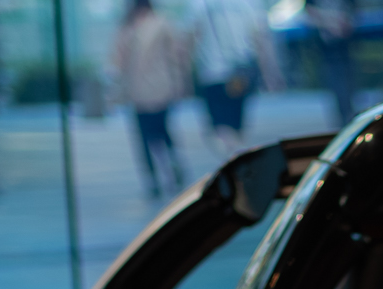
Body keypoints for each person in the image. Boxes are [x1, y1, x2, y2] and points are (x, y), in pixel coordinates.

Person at [186, 0, 283, 154]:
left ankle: (228, 155)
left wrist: (188, 69)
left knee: (219, 125)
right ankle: (234, 154)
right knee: (236, 122)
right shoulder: (248, 3)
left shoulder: (199, 4)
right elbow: (259, 37)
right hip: (239, 71)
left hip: (211, 73)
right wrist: (270, 72)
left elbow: (193, 36)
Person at [111, 0, 187, 196]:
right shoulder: (156, 24)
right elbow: (176, 57)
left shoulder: (134, 26)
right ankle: (164, 171)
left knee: (150, 134)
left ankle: (156, 176)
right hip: (152, 90)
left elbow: (117, 63)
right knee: (158, 132)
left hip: (147, 90)